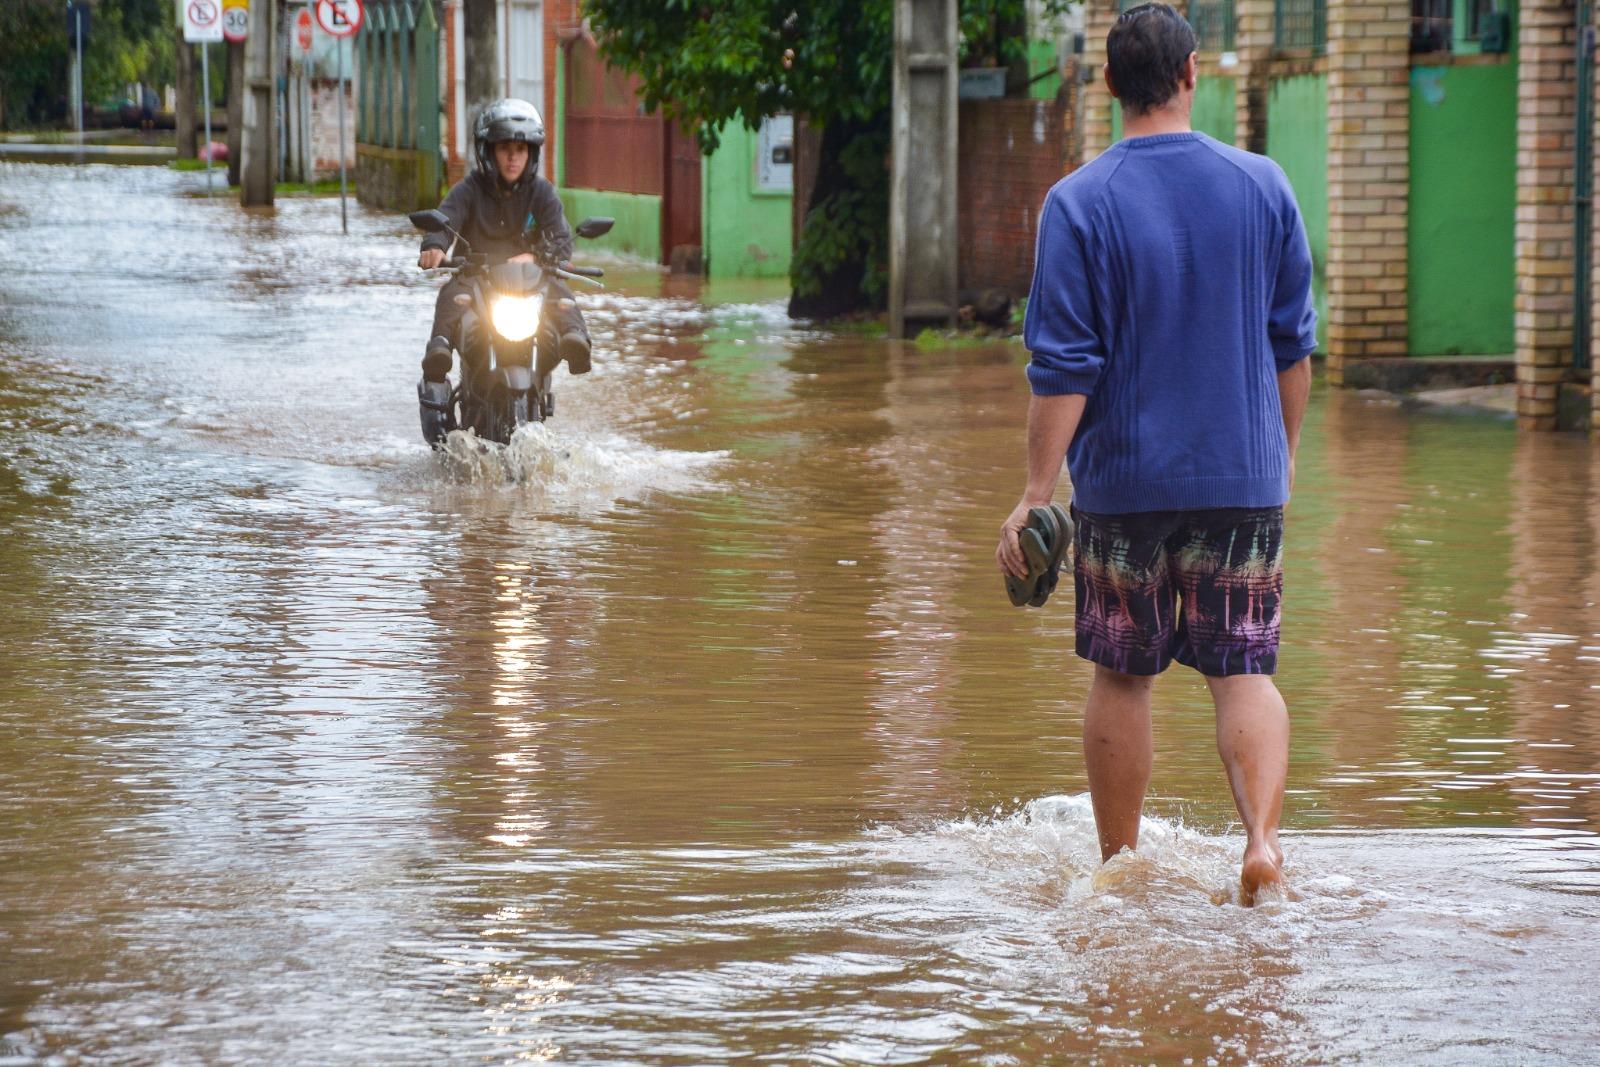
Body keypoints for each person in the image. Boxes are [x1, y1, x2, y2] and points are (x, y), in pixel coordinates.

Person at [994, 2, 1316, 905]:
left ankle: (1121, 865)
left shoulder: (1078, 202)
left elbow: (1064, 367)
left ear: (1108, 84)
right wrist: (1283, 454)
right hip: (1242, 477)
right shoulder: (1263, 186)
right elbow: (1292, 346)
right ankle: (1260, 845)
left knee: (1122, 675)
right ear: (1191, 74)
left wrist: (1035, 491)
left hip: (1122, 485)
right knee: (1242, 671)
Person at [418, 98, 590, 384]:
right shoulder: (468, 189)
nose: (513, 158)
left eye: (520, 150)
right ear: (488, 151)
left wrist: (536, 258)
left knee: (559, 287)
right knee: (452, 293)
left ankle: (577, 340)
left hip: (529, 282)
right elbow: (445, 220)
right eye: (504, 149)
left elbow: (560, 237)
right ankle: (439, 349)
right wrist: (434, 245)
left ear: (531, 153)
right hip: (476, 278)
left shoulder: (542, 192)